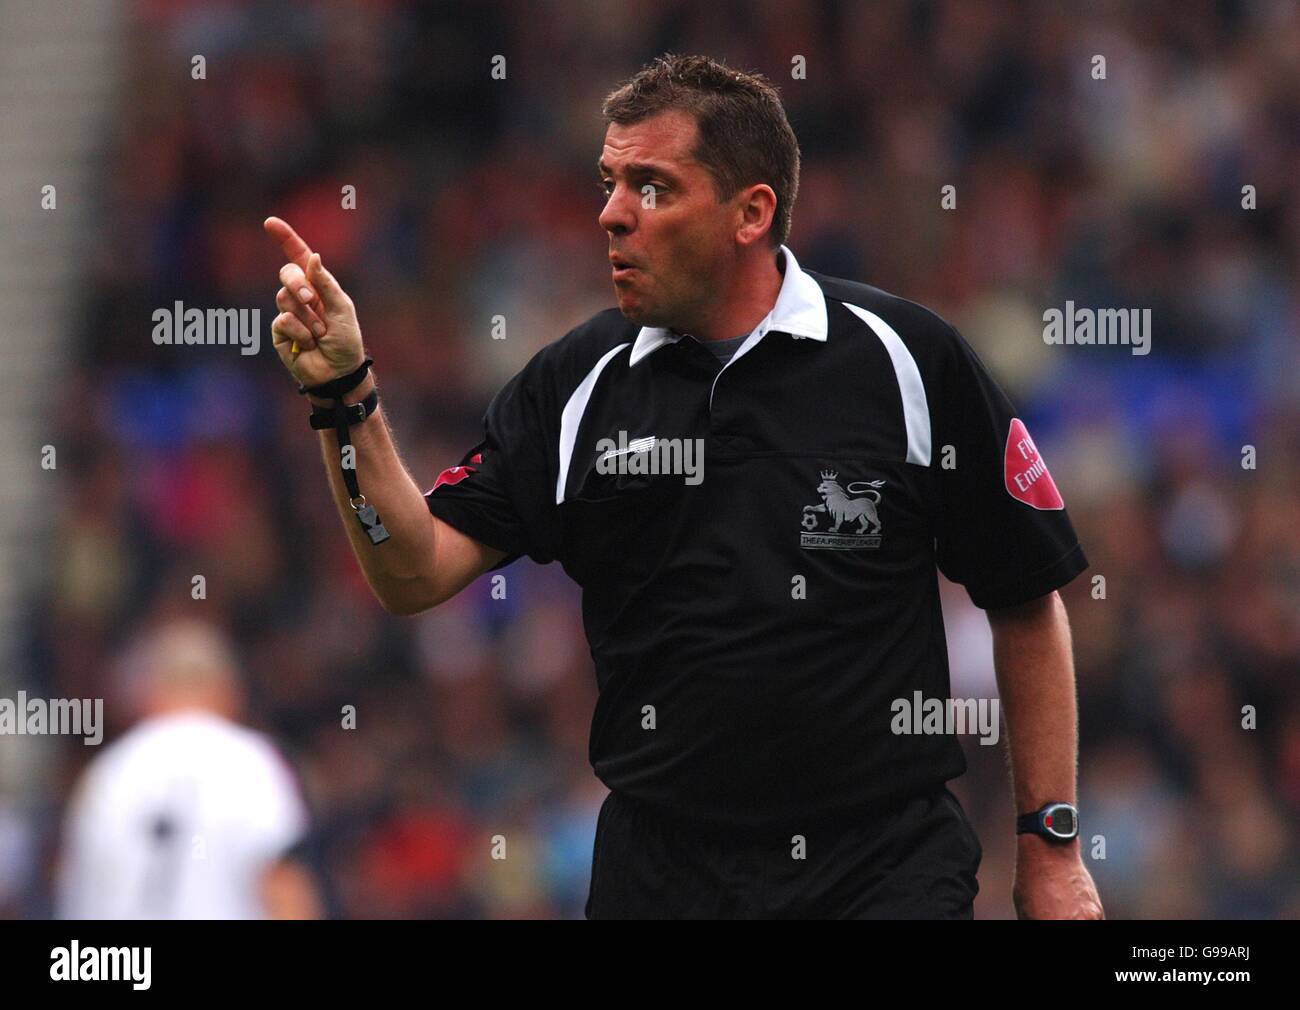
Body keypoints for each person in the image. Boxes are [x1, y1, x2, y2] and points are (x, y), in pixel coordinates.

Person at [264, 53, 1103, 919]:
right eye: (609, 181)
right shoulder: (577, 382)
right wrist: (344, 397)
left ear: (752, 212)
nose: (611, 214)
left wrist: (1051, 846)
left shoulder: (907, 360)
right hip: (660, 876)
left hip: (881, 872)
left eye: (651, 186)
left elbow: (1027, 599)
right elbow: (414, 571)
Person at [56, 617, 320, 919]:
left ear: (148, 692)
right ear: (227, 688)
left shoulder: (108, 773)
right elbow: (280, 882)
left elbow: (76, 894)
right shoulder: (250, 763)